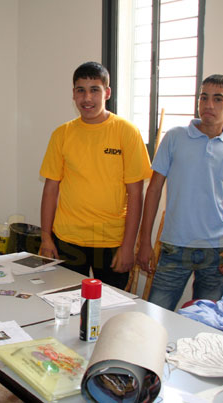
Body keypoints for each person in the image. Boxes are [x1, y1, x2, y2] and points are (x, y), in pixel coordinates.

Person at [136, 74, 223, 311]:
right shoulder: (175, 137)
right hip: (173, 246)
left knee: (207, 322)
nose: (209, 105)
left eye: (218, 99)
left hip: (216, 250)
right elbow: (154, 190)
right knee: (155, 315)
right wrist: (144, 241)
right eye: (204, 97)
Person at [39, 61, 152, 289]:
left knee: (110, 305)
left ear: (107, 93)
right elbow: (50, 189)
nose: (87, 98)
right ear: (73, 94)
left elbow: (135, 194)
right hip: (68, 239)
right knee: (66, 301)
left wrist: (128, 246)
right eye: (81, 90)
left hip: (111, 241)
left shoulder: (127, 132)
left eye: (94, 90)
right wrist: (46, 237)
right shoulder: (62, 134)